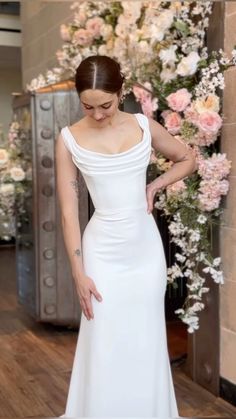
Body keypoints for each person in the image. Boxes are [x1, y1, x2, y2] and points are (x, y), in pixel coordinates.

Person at [56, 55, 196, 418]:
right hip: (101, 249)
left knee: (145, 335)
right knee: (104, 338)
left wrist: (156, 184)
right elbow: (70, 211)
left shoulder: (143, 126)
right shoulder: (69, 139)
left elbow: (187, 158)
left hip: (144, 248)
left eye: (106, 104)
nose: (98, 114)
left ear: (121, 91)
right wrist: (78, 271)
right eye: (87, 106)